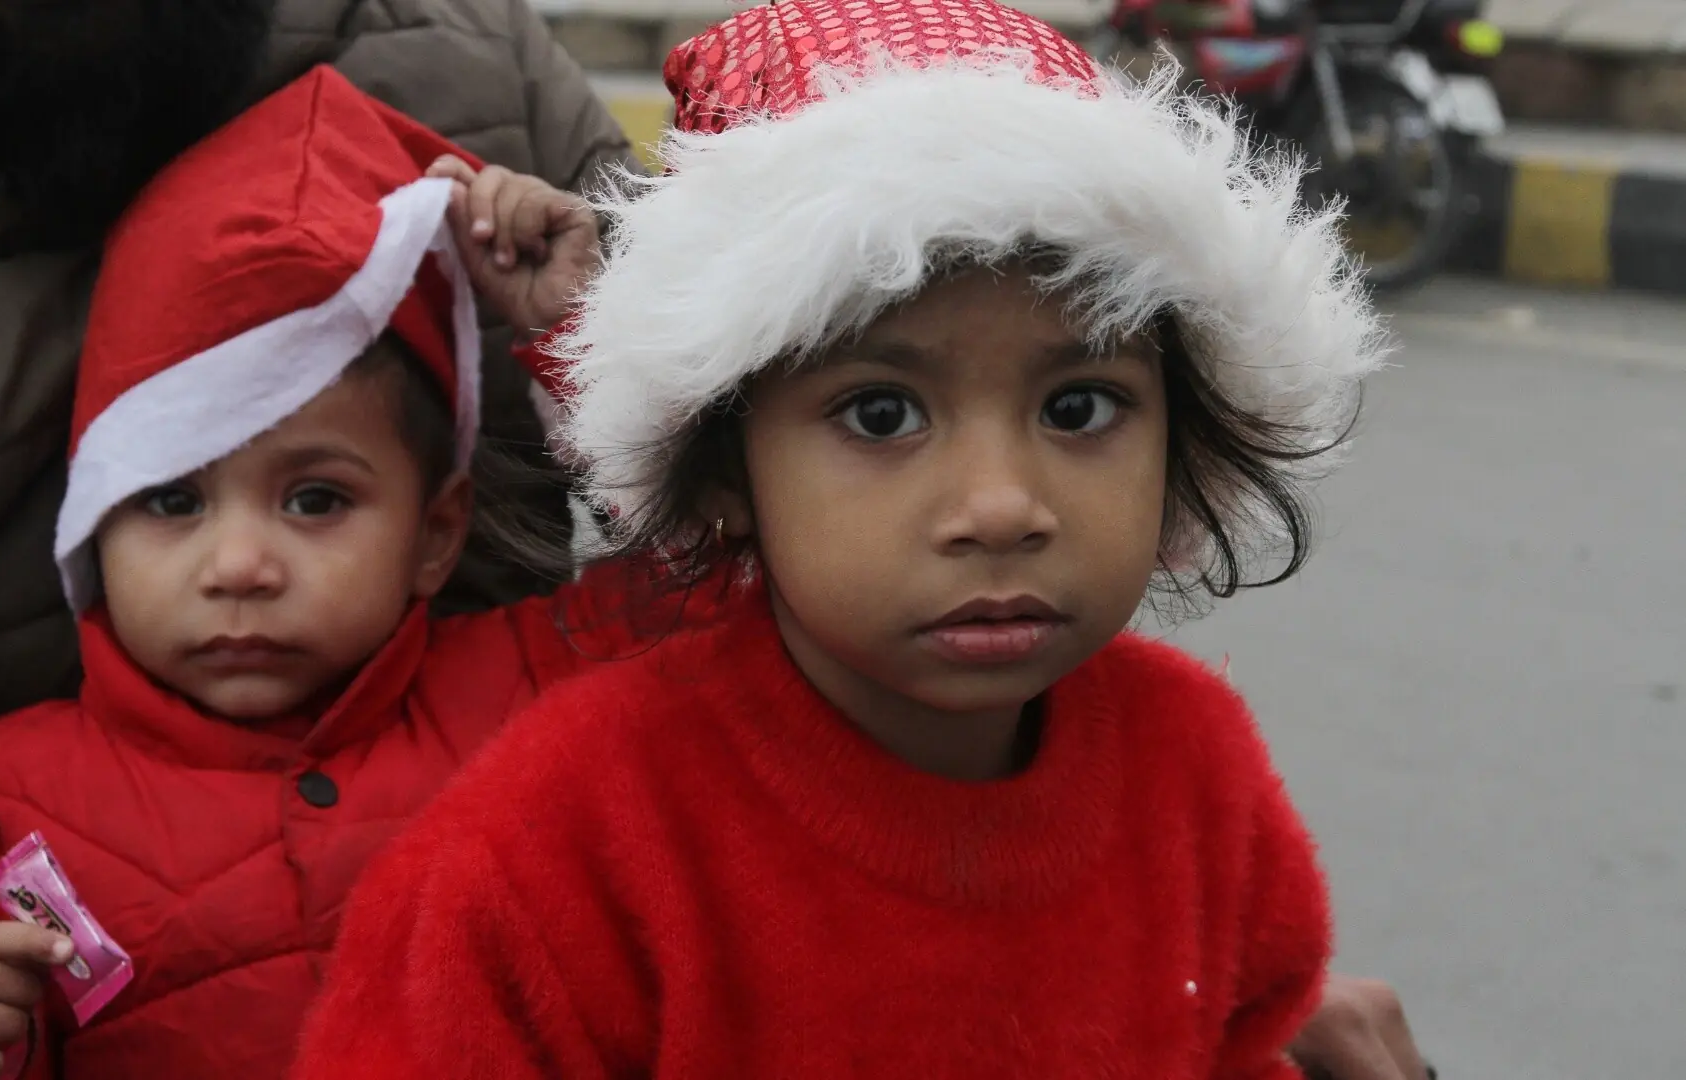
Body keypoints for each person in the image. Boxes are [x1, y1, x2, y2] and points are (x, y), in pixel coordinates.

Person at [288, 0, 1402, 1075]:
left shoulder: (1196, 767)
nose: (1003, 505)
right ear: (723, 463)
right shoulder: (558, 854)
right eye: (881, 414)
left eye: (1079, 408)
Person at [0, 68, 628, 1080]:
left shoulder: (548, 690)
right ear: (88, 520)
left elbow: (743, 601)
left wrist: (581, 347)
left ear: (436, 532)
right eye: (171, 499)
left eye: (316, 500)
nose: (240, 565)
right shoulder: (12, 812)